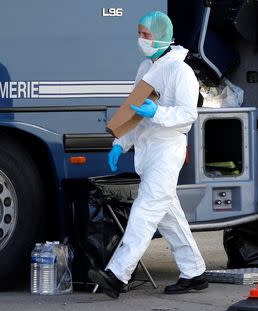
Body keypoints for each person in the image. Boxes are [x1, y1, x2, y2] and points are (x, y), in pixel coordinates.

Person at [88, 11, 207, 299]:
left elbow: (188, 115)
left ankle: (117, 275)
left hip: (167, 150)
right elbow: (134, 113)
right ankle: (195, 272)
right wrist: (121, 142)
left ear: (163, 36)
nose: (140, 39)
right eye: (139, 33)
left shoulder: (181, 71)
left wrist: (159, 112)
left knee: (144, 211)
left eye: (146, 35)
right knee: (168, 215)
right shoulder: (146, 67)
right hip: (148, 149)